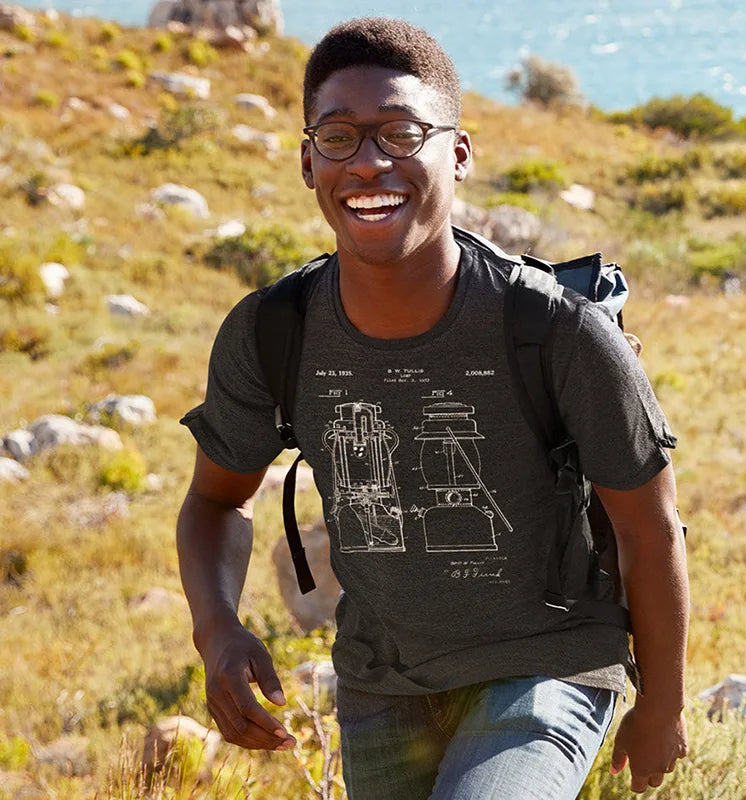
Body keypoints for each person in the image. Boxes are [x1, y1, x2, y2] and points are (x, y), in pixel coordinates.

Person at [177, 17, 690, 800]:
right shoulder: (273, 330)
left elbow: (647, 530)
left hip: (546, 661)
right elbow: (216, 501)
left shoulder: (558, 332)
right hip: (381, 683)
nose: (369, 162)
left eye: (402, 132)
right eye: (340, 137)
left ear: (458, 152)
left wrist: (664, 704)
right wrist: (218, 633)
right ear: (308, 161)